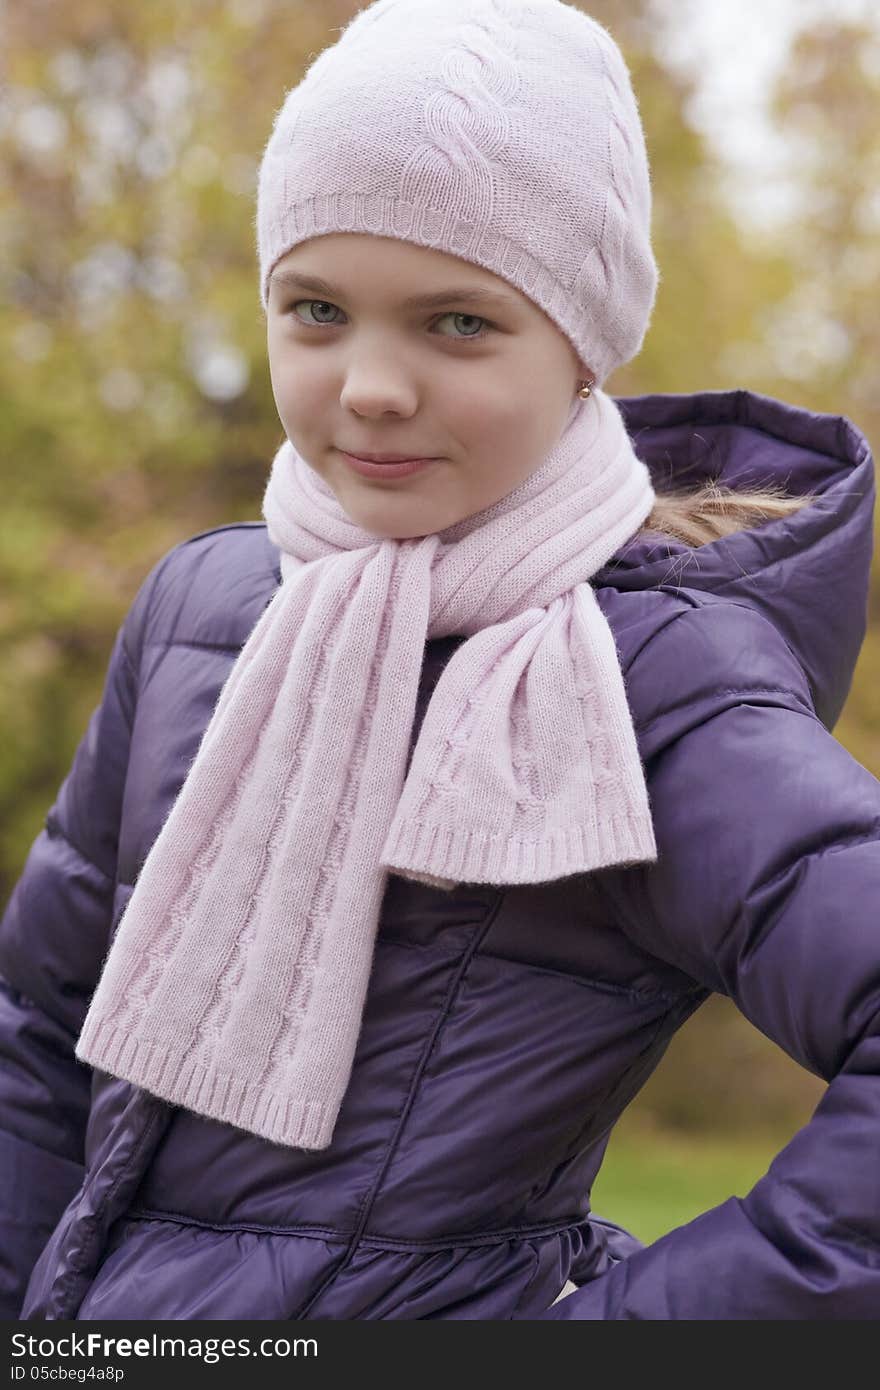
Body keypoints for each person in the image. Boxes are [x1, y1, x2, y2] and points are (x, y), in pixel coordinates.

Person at [1, 0, 878, 1322]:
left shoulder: (642, 678)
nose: (369, 385)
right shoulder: (204, 603)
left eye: (456, 323)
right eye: (317, 309)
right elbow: (38, 1029)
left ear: (583, 345)